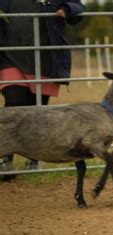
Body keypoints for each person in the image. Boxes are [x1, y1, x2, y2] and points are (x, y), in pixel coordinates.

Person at [0, 0, 85, 180]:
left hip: (47, 59)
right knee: (14, 104)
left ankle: (34, 158)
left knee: (36, 110)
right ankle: (4, 158)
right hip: (10, 56)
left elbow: (79, 8)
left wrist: (67, 9)